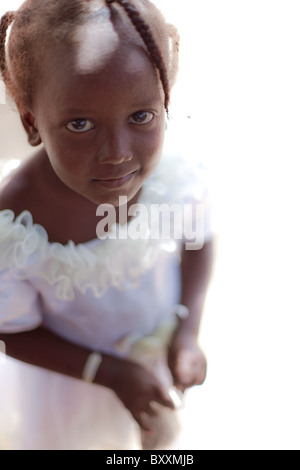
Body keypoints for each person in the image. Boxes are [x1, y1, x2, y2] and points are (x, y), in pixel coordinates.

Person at [0, 0, 213, 450]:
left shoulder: (174, 173)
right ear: (32, 122)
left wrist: (188, 331)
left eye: (141, 116)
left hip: (157, 365)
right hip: (73, 390)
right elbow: (10, 329)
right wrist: (108, 371)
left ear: (165, 101)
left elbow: (198, 241)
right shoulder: (13, 227)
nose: (117, 153)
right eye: (80, 123)